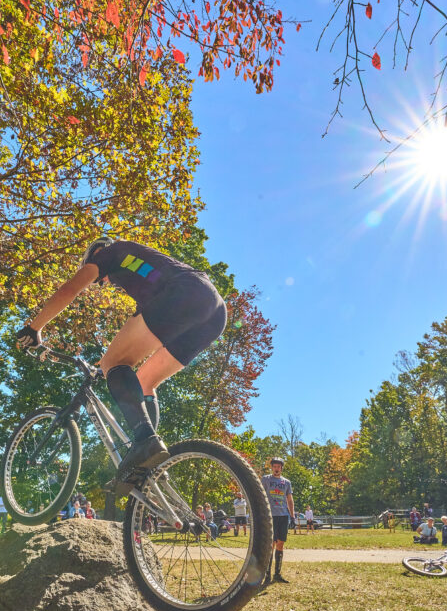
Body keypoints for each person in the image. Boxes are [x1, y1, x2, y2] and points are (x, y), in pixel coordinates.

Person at [15, 238, 227, 490]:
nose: (102, 283)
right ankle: (148, 458)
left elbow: (70, 289)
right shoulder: (142, 272)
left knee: (113, 362)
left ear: (95, 253)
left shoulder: (110, 253)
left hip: (183, 293)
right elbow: (142, 323)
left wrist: (34, 327)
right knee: (144, 381)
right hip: (214, 312)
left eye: (99, 278)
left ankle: (144, 440)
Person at [261, 457, 294, 584]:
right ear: (272, 467)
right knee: (271, 544)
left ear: (281, 468)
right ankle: (267, 574)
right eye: (274, 466)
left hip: (283, 515)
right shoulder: (266, 479)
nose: (276, 469)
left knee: (280, 543)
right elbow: (261, 496)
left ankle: (277, 574)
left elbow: (289, 500)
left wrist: (292, 516)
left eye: (278, 467)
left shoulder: (286, 482)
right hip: (271, 515)